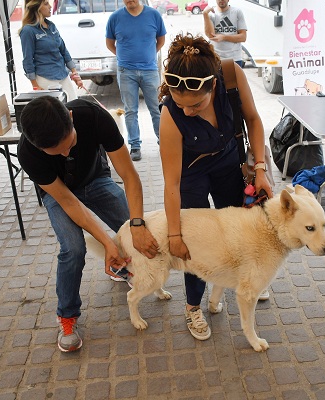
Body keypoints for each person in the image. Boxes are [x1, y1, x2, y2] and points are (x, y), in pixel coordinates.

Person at [17, 96, 159, 352]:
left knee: (131, 226)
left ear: (70, 118)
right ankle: (67, 315)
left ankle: (123, 268)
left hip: (95, 179)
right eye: (55, 153)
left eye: (68, 144)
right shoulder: (27, 152)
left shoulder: (94, 116)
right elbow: (69, 203)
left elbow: (129, 175)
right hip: (60, 194)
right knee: (73, 249)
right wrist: (106, 243)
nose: (65, 153)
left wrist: (137, 225)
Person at [158, 34, 273, 341]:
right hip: (191, 173)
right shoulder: (171, 115)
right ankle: (193, 305)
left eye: (195, 104)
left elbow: (254, 120)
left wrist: (259, 168)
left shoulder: (231, 74)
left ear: (213, 84)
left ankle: (242, 279)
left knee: (238, 227)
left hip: (226, 161)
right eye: (181, 104)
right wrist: (174, 234)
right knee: (197, 241)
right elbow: (171, 183)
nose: (188, 112)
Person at [106, 0, 166, 162]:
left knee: (156, 108)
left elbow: (161, 40)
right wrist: (123, 56)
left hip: (150, 70)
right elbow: (109, 43)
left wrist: (149, 56)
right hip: (126, 71)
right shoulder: (115, 18)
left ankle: (165, 142)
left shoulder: (153, 15)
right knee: (131, 110)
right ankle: (135, 146)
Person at [19, 0, 83, 101]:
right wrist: (35, 86)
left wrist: (75, 73)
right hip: (45, 79)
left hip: (63, 75)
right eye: (45, 4)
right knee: (55, 113)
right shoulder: (28, 31)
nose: (50, 6)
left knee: (74, 105)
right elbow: (27, 60)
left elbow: (63, 50)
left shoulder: (51, 26)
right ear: (36, 7)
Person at [203, 0, 247, 67]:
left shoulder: (237, 12)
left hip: (235, 59)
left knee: (233, 78)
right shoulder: (211, 14)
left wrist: (223, 37)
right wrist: (205, 14)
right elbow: (211, 35)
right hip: (216, 58)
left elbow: (243, 37)